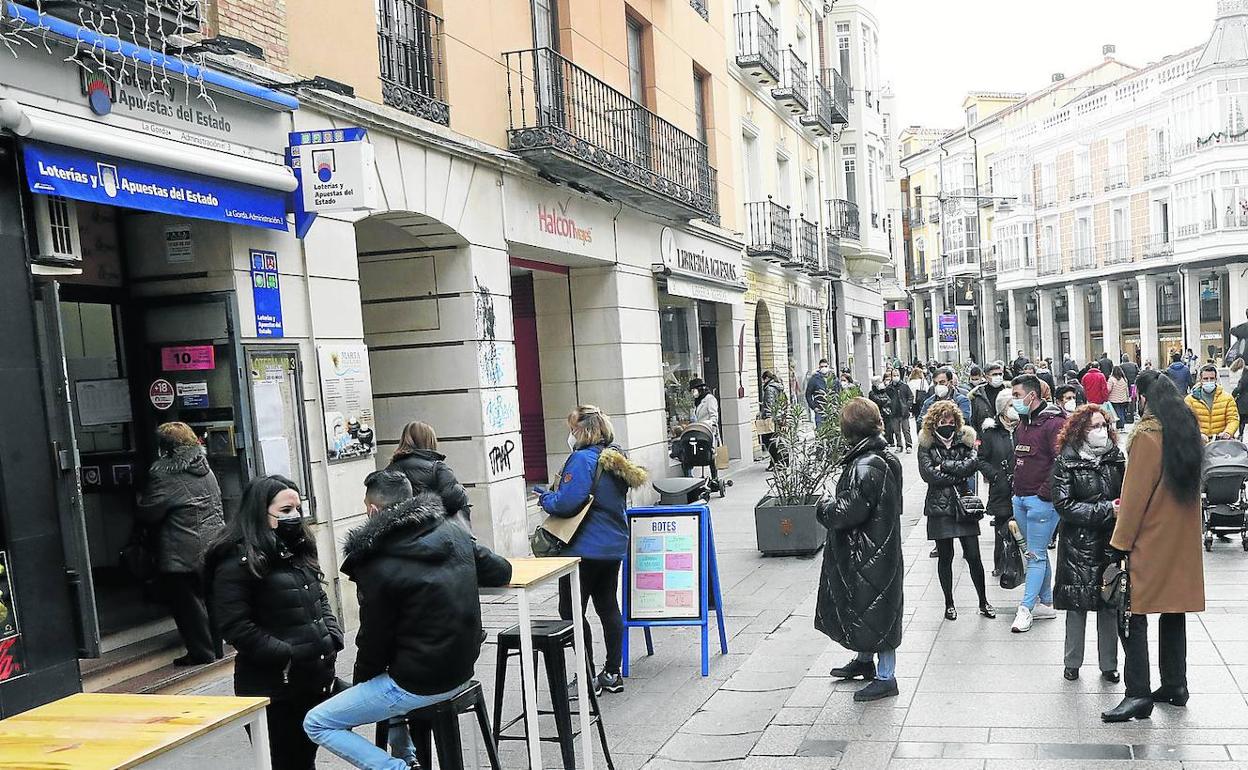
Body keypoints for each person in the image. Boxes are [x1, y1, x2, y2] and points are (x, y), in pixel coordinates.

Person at [303, 470, 513, 768]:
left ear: (373, 510)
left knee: (317, 722)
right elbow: (502, 571)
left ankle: (398, 767)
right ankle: (408, 757)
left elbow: (373, 641)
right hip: (462, 667)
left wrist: (363, 688)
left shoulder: (376, 561)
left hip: (418, 682)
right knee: (384, 682)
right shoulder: (453, 531)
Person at [208, 476, 343, 770]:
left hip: (313, 681)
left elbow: (319, 597)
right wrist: (287, 654)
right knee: (284, 762)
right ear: (261, 513)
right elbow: (235, 626)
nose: (294, 516)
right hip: (273, 687)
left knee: (304, 760)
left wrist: (332, 635)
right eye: (284, 510)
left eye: (297, 508)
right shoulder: (236, 561)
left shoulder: (298, 551)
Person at [1102, 372, 1205, 722]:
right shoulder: (1187, 432)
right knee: (1173, 611)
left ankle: (1137, 694)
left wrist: (1120, 543)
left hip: (1153, 539)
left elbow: (1134, 499)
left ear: (1142, 398)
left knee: (1131, 613)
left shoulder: (1147, 437)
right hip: (1183, 542)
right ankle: (1175, 685)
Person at [539, 406, 649, 695]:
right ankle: (613, 672)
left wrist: (546, 499)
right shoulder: (615, 460)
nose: (570, 435)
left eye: (572, 429)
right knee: (607, 606)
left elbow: (566, 503)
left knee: (571, 610)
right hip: (611, 546)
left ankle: (587, 676)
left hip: (582, 548)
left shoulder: (582, 459)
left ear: (583, 430)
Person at [817, 398, 905, 702]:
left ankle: (886, 676)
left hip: (868, 551)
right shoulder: (880, 457)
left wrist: (823, 507)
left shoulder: (867, 464)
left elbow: (846, 512)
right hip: (874, 548)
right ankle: (865, 661)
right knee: (867, 607)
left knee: (877, 610)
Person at [135, 422, 226, 666]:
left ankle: (201, 652)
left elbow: (148, 512)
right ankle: (217, 649)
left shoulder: (165, 475)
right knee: (209, 599)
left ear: (166, 448)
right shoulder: (205, 468)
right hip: (212, 544)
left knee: (187, 605)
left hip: (181, 549)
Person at [1051, 406, 1124, 684]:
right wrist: (1107, 509)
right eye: (1094, 426)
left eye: (1103, 425)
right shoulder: (1065, 461)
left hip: (1109, 542)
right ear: (1081, 430)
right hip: (1078, 545)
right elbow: (1064, 505)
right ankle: (1072, 662)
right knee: (1077, 604)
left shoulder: (1116, 458)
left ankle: (1109, 664)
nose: (1100, 431)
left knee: (1109, 603)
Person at [917, 400, 995, 620]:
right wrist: (955, 471)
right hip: (939, 508)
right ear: (934, 422)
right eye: (942, 421)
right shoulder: (926, 444)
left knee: (973, 556)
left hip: (964, 505)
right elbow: (928, 475)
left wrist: (944, 466)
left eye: (951, 421)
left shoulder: (965, 440)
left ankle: (983, 601)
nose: (947, 425)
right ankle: (949, 603)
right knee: (945, 556)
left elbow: (971, 466)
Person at [1009, 374, 1067, 633]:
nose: (1014, 401)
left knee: (1035, 555)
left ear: (1032, 396)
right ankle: (1045, 601)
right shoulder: (1023, 424)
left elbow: (1061, 461)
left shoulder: (1053, 424)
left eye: (1017, 395)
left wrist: (1045, 493)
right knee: (1035, 551)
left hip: (1040, 501)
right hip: (1020, 497)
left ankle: (1026, 609)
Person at [386, 421, 471, 525]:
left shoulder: (389, 470)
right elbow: (455, 499)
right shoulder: (438, 468)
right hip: (432, 532)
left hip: (399, 534)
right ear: (430, 441)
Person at [978, 391, 1018, 577]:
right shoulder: (990, 432)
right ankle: (1000, 563)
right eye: (1010, 405)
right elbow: (981, 459)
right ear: (1002, 409)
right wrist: (994, 475)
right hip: (1001, 487)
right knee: (1001, 527)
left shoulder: (1023, 428)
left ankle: (1019, 563)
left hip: (1021, 486)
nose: (1014, 408)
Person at [1185, 364, 1239, 441]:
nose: (1209, 381)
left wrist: (1228, 432)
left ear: (1216, 379)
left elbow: (1233, 419)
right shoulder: (1190, 400)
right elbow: (1186, 422)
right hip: (1198, 444)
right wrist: (1197, 434)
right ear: (1200, 380)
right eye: (1206, 379)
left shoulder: (1228, 398)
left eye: (1212, 378)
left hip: (1220, 444)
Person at [969, 362, 1008, 434]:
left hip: (1006, 436)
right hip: (985, 437)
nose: (998, 377)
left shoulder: (1009, 392)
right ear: (986, 377)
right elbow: (973, 420)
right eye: (994, 374)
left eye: (1000, 374)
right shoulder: (977, 395)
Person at [759, 370, 786, 467]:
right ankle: (781, 461)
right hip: (779, 417)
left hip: (772, 418)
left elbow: (769, 404)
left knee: (769, 441)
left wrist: (767, 417)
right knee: (777, 440)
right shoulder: (777, 386)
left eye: (763, 380)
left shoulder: (769, 389)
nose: (762, 382)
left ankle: (776, 462)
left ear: (766, 378)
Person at [886, 371, 914, 453]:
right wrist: (889, 405)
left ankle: (909, 445)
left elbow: (910, 396)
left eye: (897, 375)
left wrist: (907, 406)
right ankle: (899, 445)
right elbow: (886, 398)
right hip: (894, 412)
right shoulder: (889, 388)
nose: (895, 377)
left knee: (906, 430)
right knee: (897, 431)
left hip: (903, 412)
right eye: (894, 375)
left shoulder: (904, 386)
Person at [688, 378, 720, 442]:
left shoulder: (709, 399)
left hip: (709, 433)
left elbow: (714, 418)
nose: (692, 393)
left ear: (700, 389)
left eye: (693, 391)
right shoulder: (697, 402)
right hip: (699, 434)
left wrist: (704, 424)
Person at [868, 375, 897, 447]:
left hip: (887, 413)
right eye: (880, 382)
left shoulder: (884, 391)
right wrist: (884, 401)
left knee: (889, 429)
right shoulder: (872, 393)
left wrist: (884, 401)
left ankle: (890, 441)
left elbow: (889, 401)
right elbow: (877, 401)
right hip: (879, 413)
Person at [806, 359, 834, 425]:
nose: (824, 368)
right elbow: (808, 395)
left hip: (832, 409)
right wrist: (814, 407)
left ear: (828, 367)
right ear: (819, 368)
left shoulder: (834, 378)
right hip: (820, 410)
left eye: (825, 366)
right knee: (820, 430)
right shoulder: (814, 379)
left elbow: (839, 391)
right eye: (822, 367)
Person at [1107, 366, 1131, 430]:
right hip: (1123, 399)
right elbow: (1127, 390)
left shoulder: (1111, 379)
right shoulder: (1124, 379)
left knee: (1117, 413)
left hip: (1114, 399)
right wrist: (1128, 397)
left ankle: (1120, 425)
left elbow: (1108, 389)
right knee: (1122, 412)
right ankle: (1121, 426)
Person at [908, 365, 930, 433]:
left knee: (916, 418)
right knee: (923, 418)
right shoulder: (923, 381)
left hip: (914, 403)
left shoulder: (910, 383)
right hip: (922, 401)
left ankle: (918, 432)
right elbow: (927, 390)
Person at [1232, 358, 1248, 440]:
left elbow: (1239, 388)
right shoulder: (1244, 374)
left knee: (1241, 419)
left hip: (1242, 401)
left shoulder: (1242, 377)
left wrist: (1232, 395)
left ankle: (1241, 434)